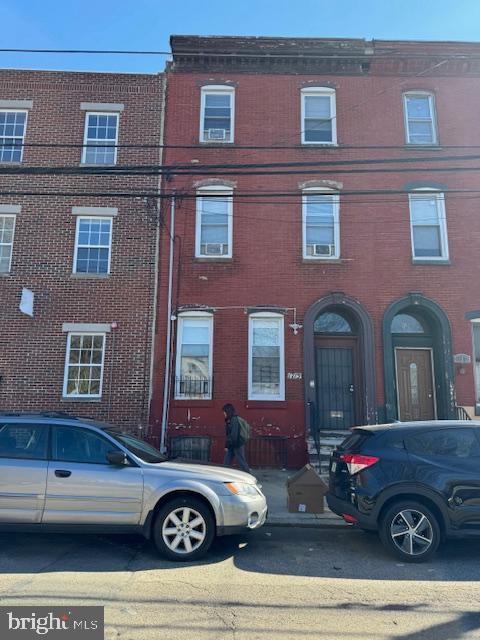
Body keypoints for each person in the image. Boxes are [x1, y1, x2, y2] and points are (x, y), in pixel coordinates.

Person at [222, 403, 251, 473]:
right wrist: (227, 445)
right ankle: (223, 474)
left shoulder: (234, 420)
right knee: (226, 461)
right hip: (233, 444)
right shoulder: (230, 420)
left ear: (228, 411)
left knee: (241, 461)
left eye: (224, 412)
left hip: (237, 444)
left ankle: (248, 475)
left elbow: (233, 435)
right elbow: (229, 435)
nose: (223, 414)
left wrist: (228, 446)